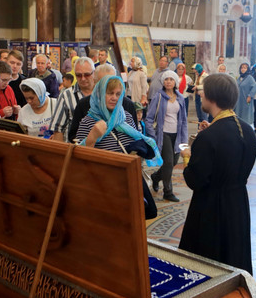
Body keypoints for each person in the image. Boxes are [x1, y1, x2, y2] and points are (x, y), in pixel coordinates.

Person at [178, 73, 256, 273]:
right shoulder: (247, 130)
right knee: (234, 258)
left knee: (207, 266)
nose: (201, 95)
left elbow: (195, 180)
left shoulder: (208, 137)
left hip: (211, 209)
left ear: (212, 97)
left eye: (203, 92)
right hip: (238, 204)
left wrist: (187, 156)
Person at [76, 75, 161, 219]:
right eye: (110, 93)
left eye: (117, 94)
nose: (114, 98)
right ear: (100, 94)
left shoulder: (126, 117)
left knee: (133, 221)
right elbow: (80, 160)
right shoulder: (88, 122)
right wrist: (92, 137)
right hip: (104, 186)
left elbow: (136, 141)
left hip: (129, 181)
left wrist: (138, 151)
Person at [146, 71, 188, 202]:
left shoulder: (180, 98)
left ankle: (156, 177)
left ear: (175, 82)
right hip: (164, 134)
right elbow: (149, 119)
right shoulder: (158, 96)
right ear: (163, 82)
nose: (168, 81)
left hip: (177, 134)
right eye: (166, 79)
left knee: (173, 162)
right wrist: (153, 136)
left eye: (171, 79)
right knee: (168, 162)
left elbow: (184, 120)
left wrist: (184, 140)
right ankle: (168, 192)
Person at [69, 64, 138, 140]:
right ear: (95, 84)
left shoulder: (127, 107)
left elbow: (136, 138)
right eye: (104, 83)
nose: (110, 86)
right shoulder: (84, 105)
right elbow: (75, 137)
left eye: (112, 82)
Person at [50, 57, 95, 142]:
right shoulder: (66, 95)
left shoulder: (102, 94)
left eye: (87, 75)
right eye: (79, 75)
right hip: (73, 146)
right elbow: (58, 128)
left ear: (94, 73)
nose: (83, 78)